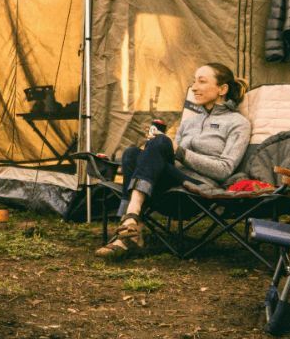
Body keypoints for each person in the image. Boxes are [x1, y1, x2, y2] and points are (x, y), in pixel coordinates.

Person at [95, 63, 251, 258]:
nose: (194, 87)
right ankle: (132, 224)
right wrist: (152, 151)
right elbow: (168, 157)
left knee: (161, 142)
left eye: (202, 81)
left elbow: (225, 169)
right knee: (132, 153)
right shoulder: (190, 122)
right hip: (170, 185)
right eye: (194, 81)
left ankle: (129, 224)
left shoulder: (238, 123)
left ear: (223, 89)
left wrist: (178, 151)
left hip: (199, 189)